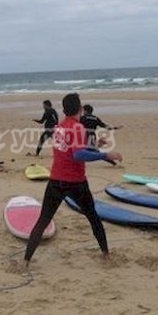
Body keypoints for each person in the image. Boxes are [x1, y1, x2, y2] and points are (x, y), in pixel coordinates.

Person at [24, 93, 123, 266]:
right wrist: (105, 154)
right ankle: (106, 255)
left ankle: (25, 261)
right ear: (80, 108)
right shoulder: (78, 127)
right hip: (76, 182)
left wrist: (94, 145)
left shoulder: (60, 127)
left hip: (55, 181)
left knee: (43, 220)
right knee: (93, 218)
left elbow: (71, 149)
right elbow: (78, 155)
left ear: (63, 110)